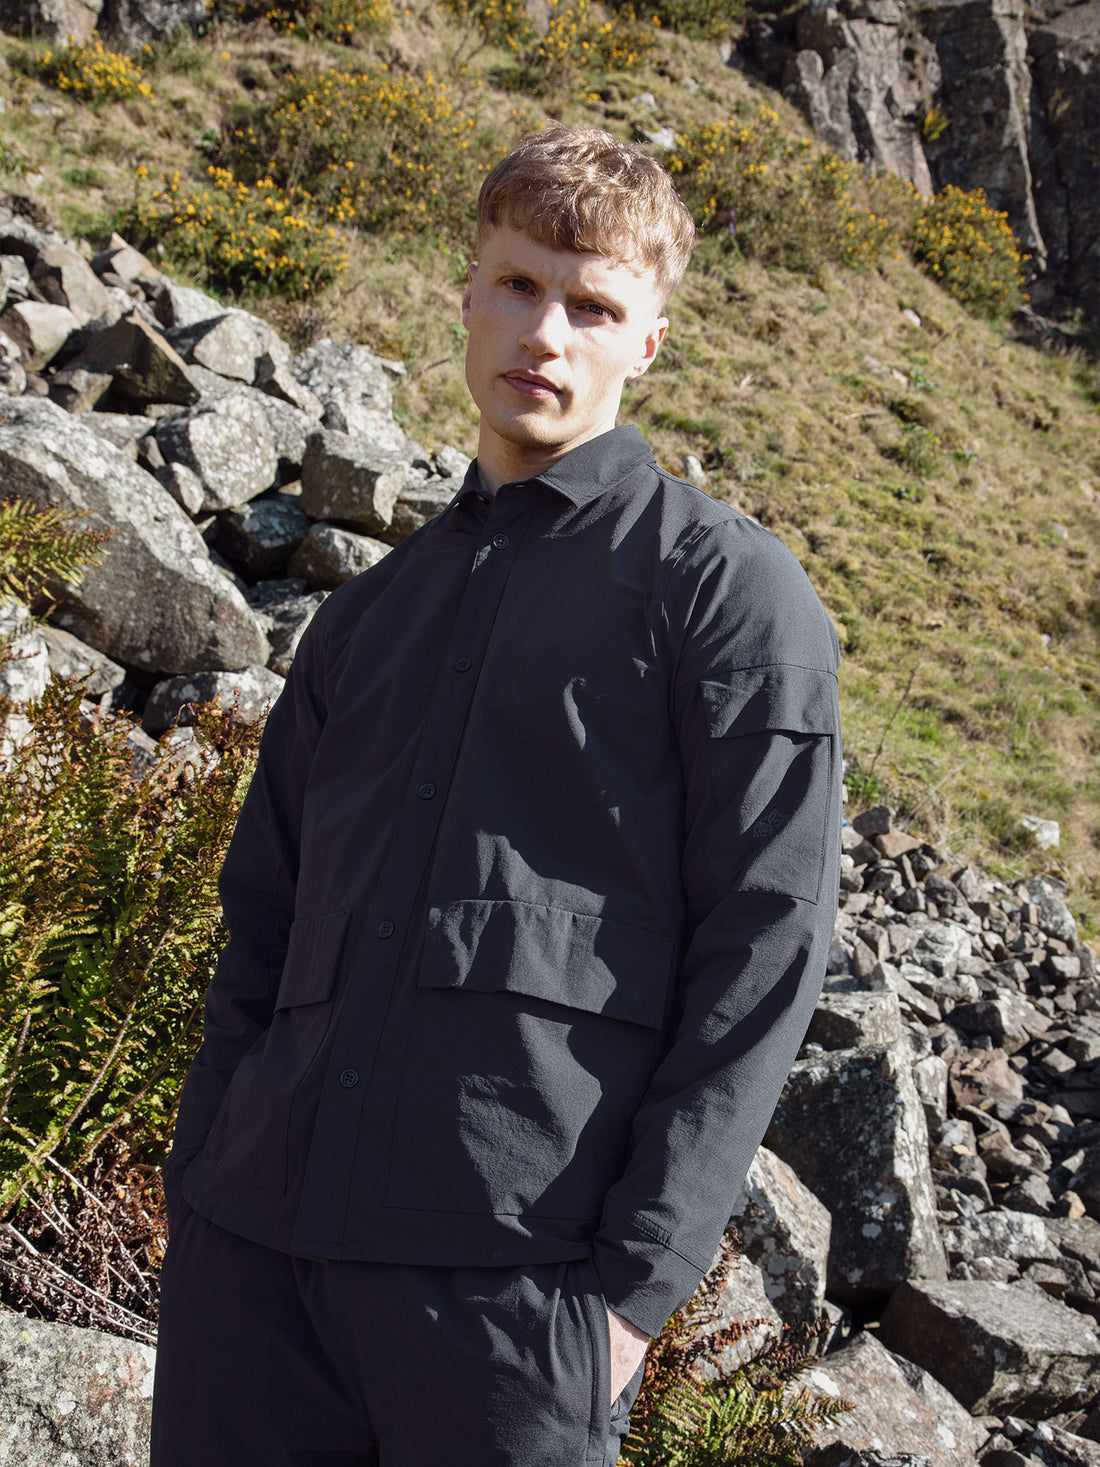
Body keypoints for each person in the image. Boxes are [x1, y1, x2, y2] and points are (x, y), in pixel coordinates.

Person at [150, 126, 842, 1467]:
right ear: (466, 291)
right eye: (519, 285)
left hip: (519, 1293)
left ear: (649, 342)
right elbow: (262, 923)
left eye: (594, 307)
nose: (546, 333)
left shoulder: (727, 595)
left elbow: (767, 947)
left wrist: (633, 1295)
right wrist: (201, 1192)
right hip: (254, 1270)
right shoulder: (366, 618)